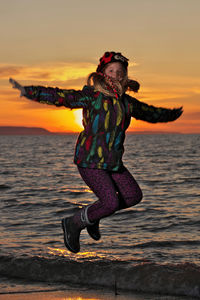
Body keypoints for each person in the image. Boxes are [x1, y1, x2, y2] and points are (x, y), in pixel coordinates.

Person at [9, 51, 183, 254]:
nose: (116, 74)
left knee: (134, 195)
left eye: (120, 71)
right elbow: (62, 96)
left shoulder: (127, 102)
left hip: (113, 162)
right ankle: (73, 223)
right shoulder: (92, 97)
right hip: (90, 161)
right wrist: (29, 91)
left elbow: (150, 112)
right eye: (111, 70)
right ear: (102, 74)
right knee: (110, 202)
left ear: (124, 75)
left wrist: (171, 115)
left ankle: (93, 217)